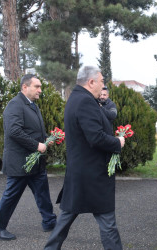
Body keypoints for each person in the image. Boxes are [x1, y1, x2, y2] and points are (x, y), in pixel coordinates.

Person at [44, 66, 125, 250]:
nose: (103, 85)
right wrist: (117, 142)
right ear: (91, 82)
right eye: (102, 81)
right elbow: (95, 137)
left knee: (66, 220)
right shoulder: (85, 101)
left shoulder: (77, 98)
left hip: (82, 174)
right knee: (108, 224)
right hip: (92, 175)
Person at [0, 74, 57, 241]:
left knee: (42, 194)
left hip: (35, 163)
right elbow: (14, 131)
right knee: (11, 196)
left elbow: (31, 130)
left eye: (40, 87)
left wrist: (46, 140)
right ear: (25, 87)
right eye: (37, 86)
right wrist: (36, 145)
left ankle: (49, 222)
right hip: (20, 163)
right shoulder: (15, 105)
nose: (40, 90)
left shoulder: (32, 105)